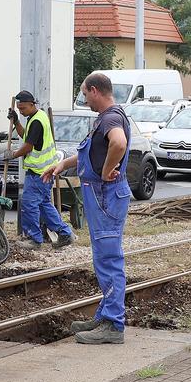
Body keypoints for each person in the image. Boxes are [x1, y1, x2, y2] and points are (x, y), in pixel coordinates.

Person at [43, 72, 131, 345]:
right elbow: (89, 152)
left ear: (94, 90)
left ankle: (114, 325)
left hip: (105, 196)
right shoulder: (106, 118)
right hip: (102, 196)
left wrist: (106, 172)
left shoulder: (111, 118)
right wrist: (62, 165)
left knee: (108, 259)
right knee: (103, 257)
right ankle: (105, 315)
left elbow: (118, 143)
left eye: (84, 93)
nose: (84, 100)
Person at [8, 90, 73, 248]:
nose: (21, 111)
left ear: (32, 104)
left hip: (39, 173)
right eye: (19, 109)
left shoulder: (37, 121)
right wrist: (16, 121)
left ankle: (34, 239)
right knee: (44, 205)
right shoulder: (37, 116)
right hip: (45, 171)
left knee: (29, 204)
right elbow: (26, 136)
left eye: (23, 108)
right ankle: (64, 234)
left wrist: (13, 155)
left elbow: (28, 146)